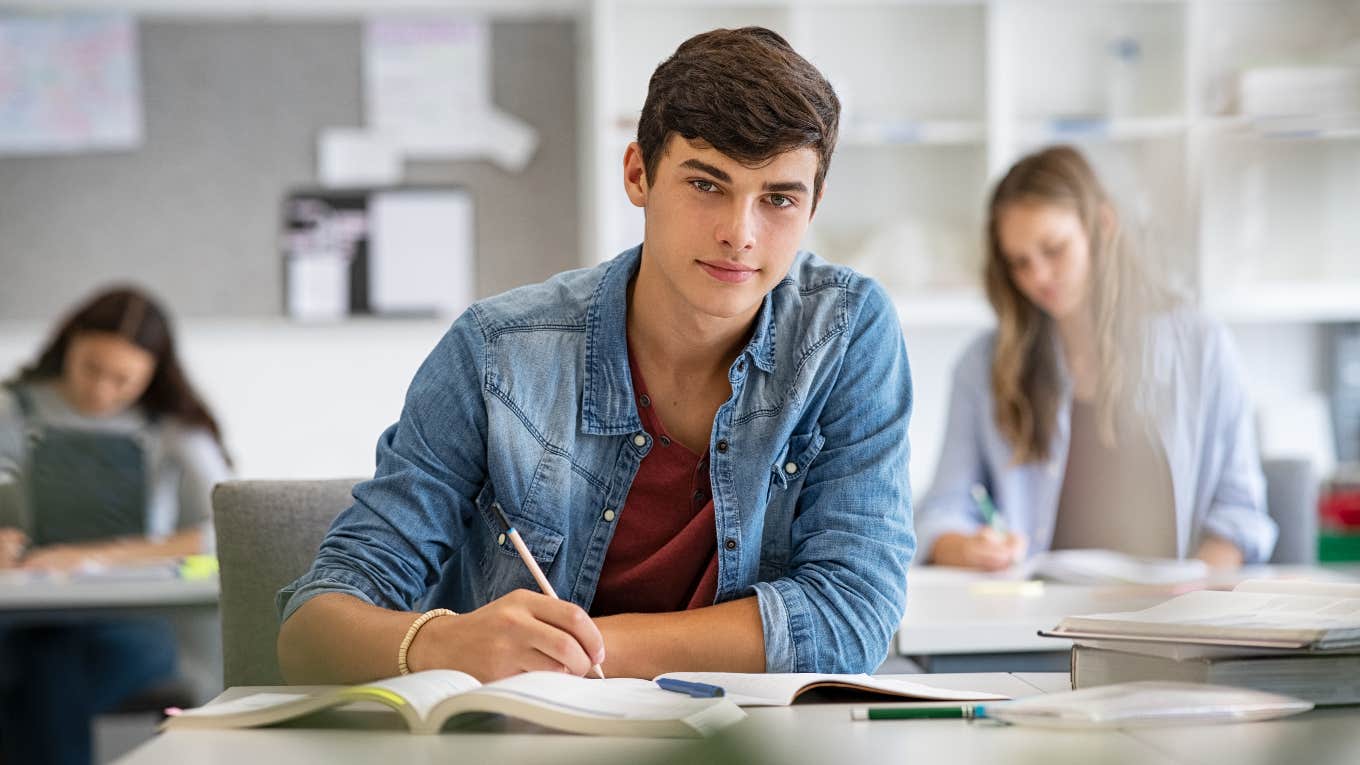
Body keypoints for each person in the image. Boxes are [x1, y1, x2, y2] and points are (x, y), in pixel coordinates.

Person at [276, 27, 914, 685]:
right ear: (639, 174)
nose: (740, 234)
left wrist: (573, 653)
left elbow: (853, 615)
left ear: (813, 205)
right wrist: (448, 644)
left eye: (779, 198)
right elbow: (310, 629)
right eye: (706, 185)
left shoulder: (844, 332)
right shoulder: (497, 354)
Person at [915, 145, 1276, 572]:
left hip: (1173, 621)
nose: (1038, 277)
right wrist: (967, 547)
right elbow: (942, 511)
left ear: (1103, 225)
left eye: (1053, 250)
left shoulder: (1201, 346)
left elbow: (1239, 515)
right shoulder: (983, 365)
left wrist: (1191, 603)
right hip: (1035, 626)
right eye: (1019, 263)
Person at [0, 286, 232, 765]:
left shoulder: (168, 424)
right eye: (91, 369)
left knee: (70, 668)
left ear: (152, 375)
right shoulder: (12, 408)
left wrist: (96, 555)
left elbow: (226, 525)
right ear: (70, 344)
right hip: (21, 608)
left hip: (125, 615)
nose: (102, 390)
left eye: (123, 380)